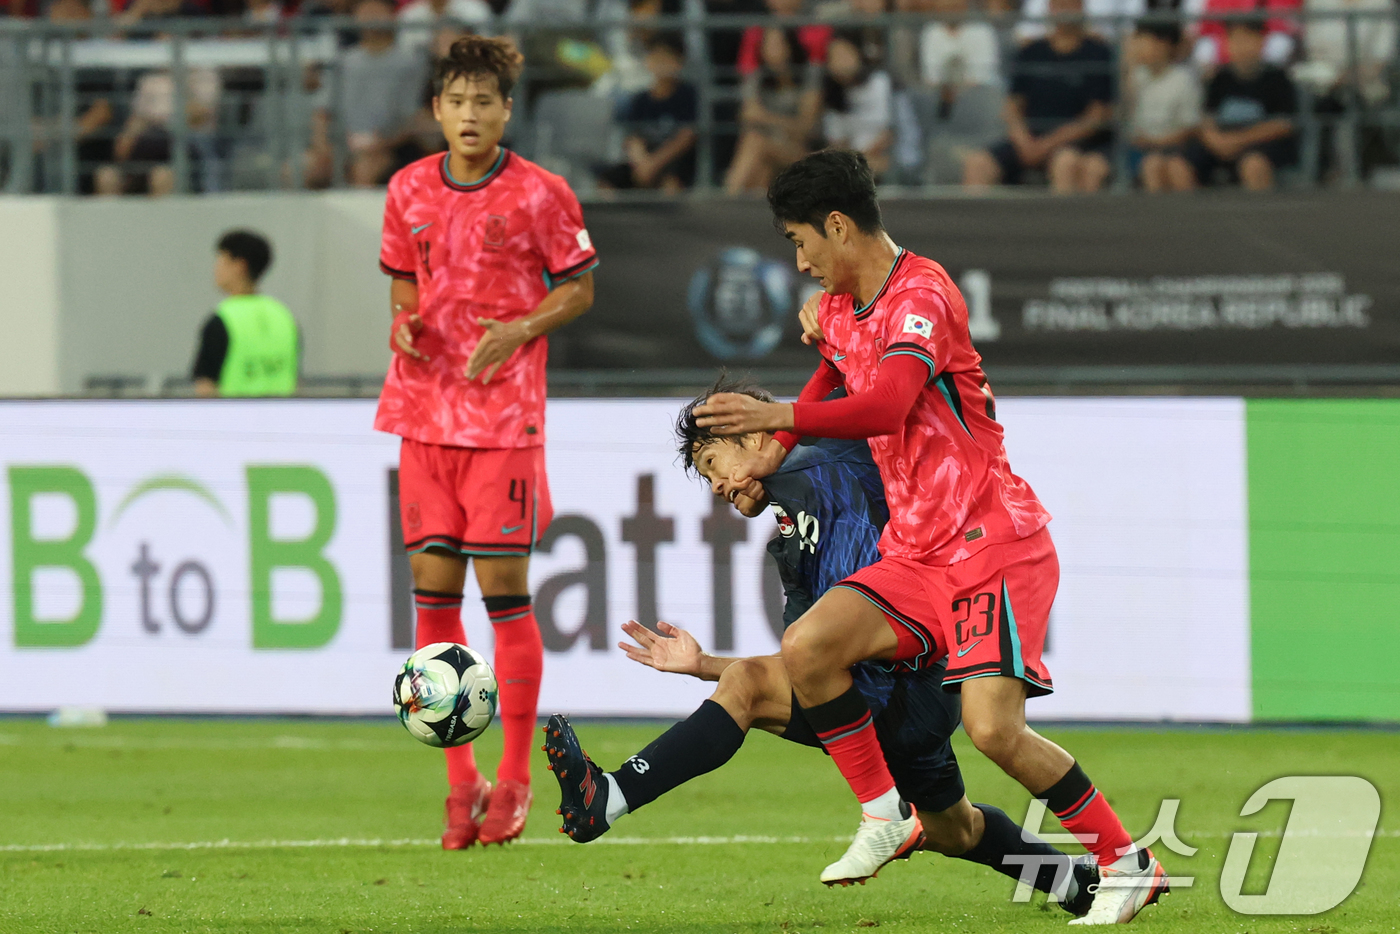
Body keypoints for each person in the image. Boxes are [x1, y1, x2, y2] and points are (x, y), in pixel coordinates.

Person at [692, 150, 1170, 925]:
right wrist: (765, 464)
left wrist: (774, 417)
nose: (800, 259)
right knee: (811, 647)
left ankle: (1126, 862)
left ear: (838, 225)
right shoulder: (845, 310)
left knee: (993, 730)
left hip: (990, 543)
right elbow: (833, 381)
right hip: (920, 553)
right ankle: (884, 813)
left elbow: (885, 403)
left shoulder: (924, 293)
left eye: (799, 239)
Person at [544, 376, 1102, 920]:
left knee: (748, 687)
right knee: (956, 830)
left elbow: (880, 392)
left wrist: (832, 324)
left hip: (916, 674)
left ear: (757, 435)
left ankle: (610, 795)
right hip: (898, 693)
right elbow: (807, 665)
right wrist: (703, 666)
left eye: (715, 463)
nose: (715, 485)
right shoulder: (790, 542)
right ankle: (1070, 879)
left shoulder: (840, 448)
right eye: (706, 477)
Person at [376, 35, 597, 849]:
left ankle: (513, 780)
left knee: (504, 595)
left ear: (507, 110)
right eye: (457, 101)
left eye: (485, 102)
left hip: (504, 421)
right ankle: (458, 782)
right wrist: (402, 322)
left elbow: (579, 287)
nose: (470, 115)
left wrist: (520, 329)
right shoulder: (406, 189)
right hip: (423, 413)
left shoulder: (541, 194)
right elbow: (404, 275)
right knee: (433, 602)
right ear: (437, 108)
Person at [962, 0, 1113, 193]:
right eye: (1059, 4)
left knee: (1066, 162)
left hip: (1074, 143)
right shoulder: (1031, 52)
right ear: (1049, 7)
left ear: (1082, 6)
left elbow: (1095, 117)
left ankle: (1063, 222)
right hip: (1029, 140)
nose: (1064, 9)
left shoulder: (1099, 53)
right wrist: (1024, 141)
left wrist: (1047, 145)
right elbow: (1012, 107)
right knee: (977, 163)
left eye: (1071, 4)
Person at [1183, 19, 1297, 190]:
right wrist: (1216, 140)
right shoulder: (1220, 78)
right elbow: (1206, 117)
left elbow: (1283, 124)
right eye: (1234, 40)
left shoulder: (1277, 78)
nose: (1240, 46)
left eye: (1247, 39)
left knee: (1253, 164)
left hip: (1262, 145)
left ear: (1261, 41)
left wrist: (1238, 140)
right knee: (1179, 165)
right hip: (1221, 144)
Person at [191, 230, 299, 398]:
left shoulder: (222, 320)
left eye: (221, 260)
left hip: (233, 420)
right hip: (282, 420)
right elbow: (295, 381)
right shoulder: (284, 317)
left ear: (239, 266)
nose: (216, 268)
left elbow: (206, 388)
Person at [339, 0, 431, 187]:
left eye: (377, 9)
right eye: (365, 9)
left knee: (364, 170)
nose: (370, 15)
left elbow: (413, 118)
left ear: (392, 15)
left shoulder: (410, 62)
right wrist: (325, 145)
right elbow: (322, 111)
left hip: (392, 146)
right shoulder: (343, 61)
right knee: (297, 169)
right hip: (343, 143)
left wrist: (379, 144)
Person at [724, 27, 823, 194]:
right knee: (760, 165)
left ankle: (727, 198)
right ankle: (736, 202)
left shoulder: (809, 75)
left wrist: (766, 118)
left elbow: (806, 128)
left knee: (756, 142)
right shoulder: (757, 78)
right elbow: (747, 116)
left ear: (790, 46)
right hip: (769, 145)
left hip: (802, 150)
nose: (773, 52)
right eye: (767, 46)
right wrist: (777, 124)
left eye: (777, 45)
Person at [596, 33, 699, 191]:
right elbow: (632, 138)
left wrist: (654, 164)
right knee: (607, 182)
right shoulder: (640, 100)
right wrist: (643, 163)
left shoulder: (688, 95)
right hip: (643, 162)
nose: (661, 65)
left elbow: (686, 137)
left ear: (680, 62)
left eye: (667, 59)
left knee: (671, 186)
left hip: (672, 163)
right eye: (656, 58)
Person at [1125, 20, 1201, 191]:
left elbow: (1190, 127)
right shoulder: (1135, 77)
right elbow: (1124, 114)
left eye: (1145, 41)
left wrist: (1156, 142)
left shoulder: (1183, 79)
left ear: (1165, 45)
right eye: (1137, 41)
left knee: (1176, 168)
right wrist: (1128, 67)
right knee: (1152, 165)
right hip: (1139, 150)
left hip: (1174, 149)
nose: (1139, 47)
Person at [822, 32, 894, 177]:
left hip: (884, 154)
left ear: (858, 54)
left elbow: (891, 132)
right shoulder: (832, 97)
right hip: (850, 162)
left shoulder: (880, 82)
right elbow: (836, 142)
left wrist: (863, 156)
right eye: (836, 58)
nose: (843, 62)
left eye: (846, 55)